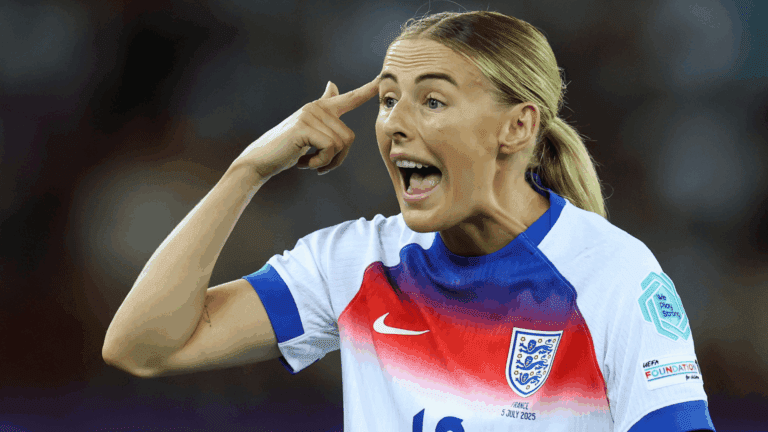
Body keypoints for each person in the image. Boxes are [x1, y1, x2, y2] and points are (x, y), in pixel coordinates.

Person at [102, 10, 716, 432]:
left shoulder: (610, 275)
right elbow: (141, 347)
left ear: (517, 126)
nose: (395, 123)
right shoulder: (354, 265)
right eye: (390, 98)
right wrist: (247, 170)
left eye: (433, 100)